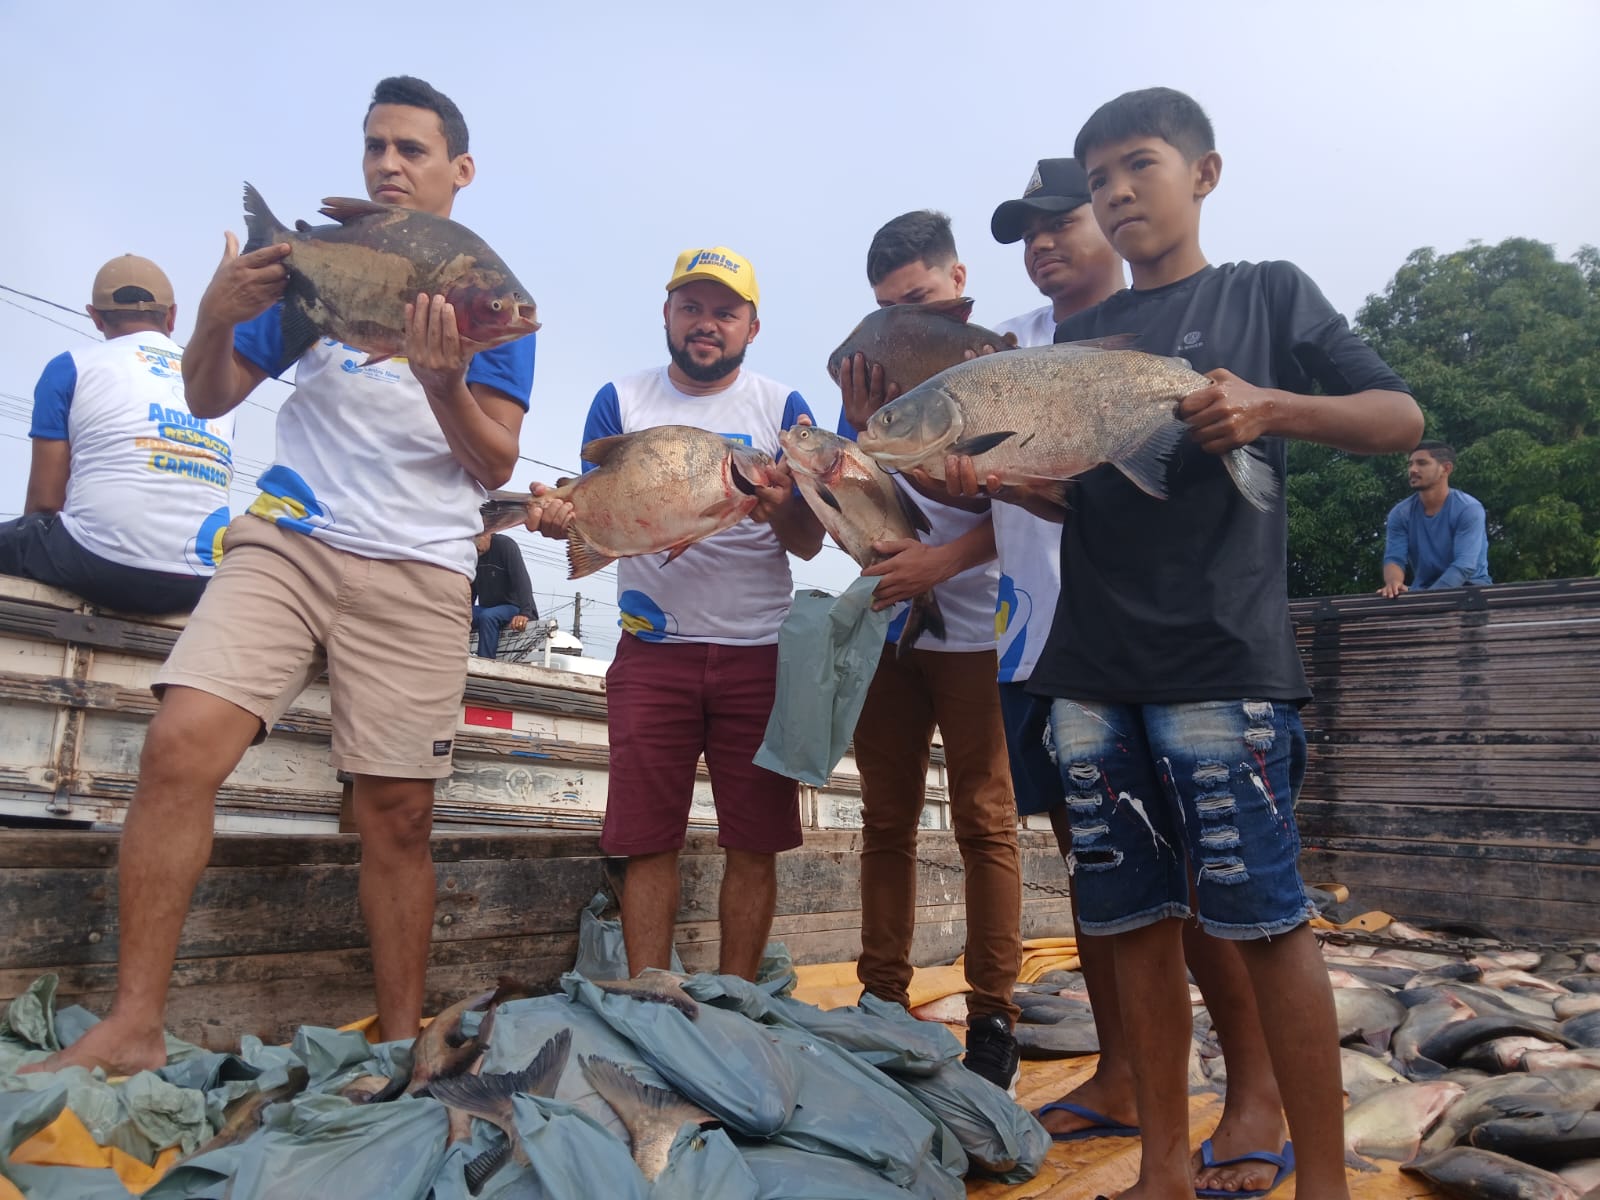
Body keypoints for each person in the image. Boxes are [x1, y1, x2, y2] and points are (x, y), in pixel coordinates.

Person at [24, 76, 537, 1076]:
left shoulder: (483, 291)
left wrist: (442, 382)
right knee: (179, 745)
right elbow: (209, 397)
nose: (388, 164)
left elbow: (494, 464)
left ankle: (402, 1044)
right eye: (375, 146)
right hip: (288, 539)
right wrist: (215, 318)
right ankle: (132, 1028)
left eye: (412, 149)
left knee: (398, 816)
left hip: (422, 567)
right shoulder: (324, 269)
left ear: (460, 169)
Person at [1026, 88, 1422, 1200]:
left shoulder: (1265, 293)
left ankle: (1324, 1185)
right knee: (1132, 926)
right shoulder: (1078, 339)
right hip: (1090, 667)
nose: (1115, 193)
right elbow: (1090, 494)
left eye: (1138, 165)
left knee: (1266, 922)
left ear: (1203, 173)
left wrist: (1267, 408)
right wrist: (1004, 480)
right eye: (1098, 178)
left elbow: (1398, 417)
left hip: (1220, 659)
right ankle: (1160, 1172)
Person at [527, 246, 822, 982]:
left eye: (725, 312)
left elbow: (810, 541)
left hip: (760, 652)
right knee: (645, 839)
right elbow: (602, 513)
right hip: (651, 654)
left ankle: (739, 1001)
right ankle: (649, 998)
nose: (706, 323)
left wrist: (782, 508)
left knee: (754, 842)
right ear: (666, 314)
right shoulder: (621, 399)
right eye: (691, 307)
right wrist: (563, 519)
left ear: (753, 327)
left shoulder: (783, 408)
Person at [836, 210, 1023, 1094]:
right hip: (892, 624)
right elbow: (854, 503)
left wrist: (940, 563)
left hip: (979, 622)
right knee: (885, 820)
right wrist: (861, 437)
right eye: (889, 307)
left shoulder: (1003, 366)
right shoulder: (868, 377)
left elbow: (1035, 505)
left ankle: (993, 1016)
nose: (907, 319)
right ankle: (880, 998)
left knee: (986, 819)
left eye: (920, 299)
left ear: (959, 281)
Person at [0, 255, 233, 614]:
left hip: (101, 567)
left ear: (95, 317)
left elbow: (44, 503)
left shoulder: (70, 367)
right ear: (172, 316)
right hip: (202, 580)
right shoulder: (215, 379)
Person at [1378, 441, 1491, 596]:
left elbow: (1464, 565)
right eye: (1410, 464)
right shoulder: (1400, 513)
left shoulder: (1468, 508)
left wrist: (1429, 598)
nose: (1412, 469)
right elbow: (1394, 558)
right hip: (1422, 591)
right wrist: (1393, 583)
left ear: (1446, 468)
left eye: (1422, 463)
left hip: (1470, 590)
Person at [471, 530, 536, 657]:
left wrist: (525, 613)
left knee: (488, 616)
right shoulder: (472, 555)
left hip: (512, 607)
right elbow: (471, 590)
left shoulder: (505, 545)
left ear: (487, 533)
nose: (475, 551)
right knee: (459, 613)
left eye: (477, 546)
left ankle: (485, 662)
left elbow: (521, 580)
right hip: (486, 608)